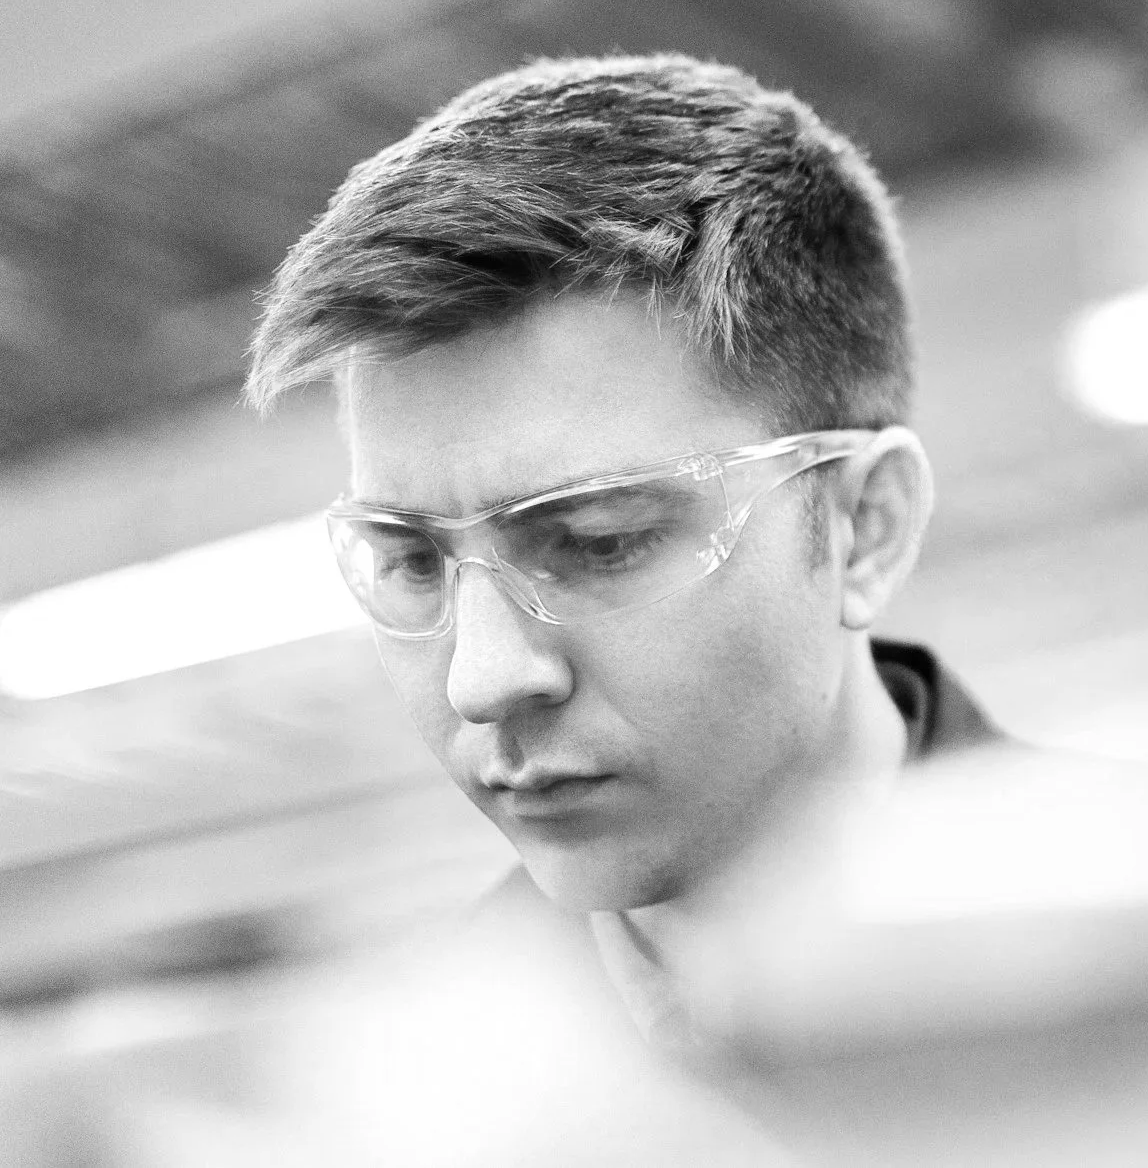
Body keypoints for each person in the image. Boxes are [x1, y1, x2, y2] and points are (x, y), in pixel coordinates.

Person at [245, 52, 999, 1045]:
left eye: (599, 542)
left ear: (866, 526)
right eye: (413, 561)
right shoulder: (412, 1084)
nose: (483, 679)